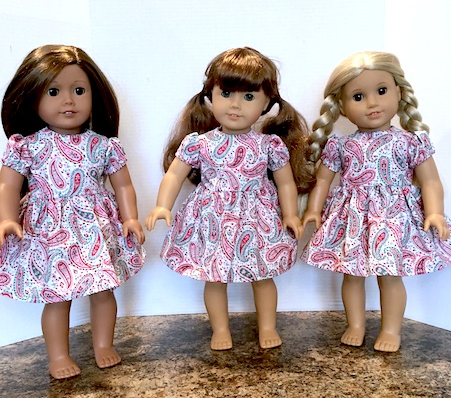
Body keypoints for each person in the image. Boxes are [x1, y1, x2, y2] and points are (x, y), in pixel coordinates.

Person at [146, 47, 315, 350]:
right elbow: (174, 175)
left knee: (263, 276)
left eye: (249, 96)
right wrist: (162, 205)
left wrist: (290, 214)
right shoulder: (199, 144)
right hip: (212, 219)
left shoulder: (269, 145)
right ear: (210, 95)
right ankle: (220, 329)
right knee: (214, 277)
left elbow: (285, 183)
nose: (235, 105)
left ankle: (267, 326)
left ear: (267, 103)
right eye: (226, 93)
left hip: (257, 220)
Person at [0, 45, 146, 378]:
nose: (68, 100)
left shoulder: (103, 145)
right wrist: (6, 218)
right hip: (48, 230)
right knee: (57, 296)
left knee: (103, 290)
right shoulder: (28, 146)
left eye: (79, 91)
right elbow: (7, 185)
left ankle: (103, 345)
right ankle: (57, 356)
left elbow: (123, 185)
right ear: (33, 96)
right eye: (54, 92)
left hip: (94, 229)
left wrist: (130, 218)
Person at [300, 51, 451, 352]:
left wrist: (435, 212)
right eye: (358, 96)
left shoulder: (411, 141)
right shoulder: (341, 145)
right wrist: (313, 210)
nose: (372, 103)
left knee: (390, 275)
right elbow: (324, 180)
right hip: (352, 218)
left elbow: (431, 181)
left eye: (381, 91)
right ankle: (355, 324)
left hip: (393, 218)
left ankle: (391, 329)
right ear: (342, 107)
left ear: (399, 92)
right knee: (351, 274)